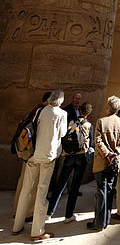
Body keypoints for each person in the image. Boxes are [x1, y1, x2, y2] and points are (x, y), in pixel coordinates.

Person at [12, 89, 68, 241]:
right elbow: (63, 134)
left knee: (26, 189)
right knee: (42, 192)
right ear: (61, 101)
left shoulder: (41, 110)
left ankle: (17, 225)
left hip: (33, 155)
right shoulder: (62, 114)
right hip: (48, 157)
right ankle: (37, 230)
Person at [47, 101, 93, 223]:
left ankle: (49, 212)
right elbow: (90, 143)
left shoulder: (72, 122)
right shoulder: (88, 125)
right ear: (88, 113)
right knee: (74, 187)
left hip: (68, 156)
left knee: (60, 184)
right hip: (80, 158)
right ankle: (68, 215)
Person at [87, 96, 120, 232]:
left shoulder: (101, 121)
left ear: (108, 107)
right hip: (114, 161)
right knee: (109, 190)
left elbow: (97, 141)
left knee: (100, 191)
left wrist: (107, 154)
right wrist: (115, 152)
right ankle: (106, 219)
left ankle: (99, 222)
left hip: (102, 161)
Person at [13, 91, 51, 220]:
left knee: (23, 181)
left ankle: (17, 211)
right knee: (31, 184)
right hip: (33, 153)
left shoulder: (35, 110)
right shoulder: (41, 112)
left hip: (27, 151)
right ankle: (28, 213)